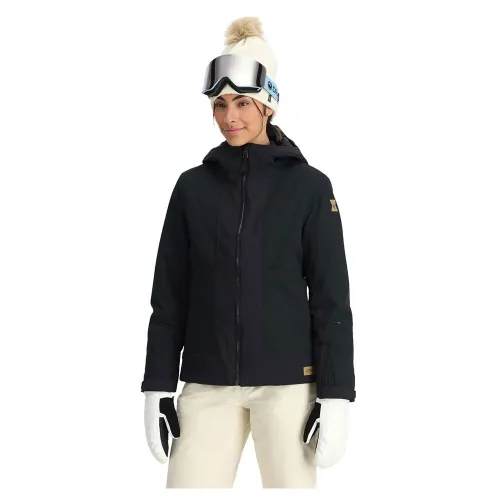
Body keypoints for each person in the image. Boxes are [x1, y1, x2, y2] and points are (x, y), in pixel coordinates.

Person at [141, 17, 356, 489]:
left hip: (288, 386)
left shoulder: (309, 187)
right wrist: (157, 385)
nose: (229, 117)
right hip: (207, 383)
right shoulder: (192, 188)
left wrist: (336, 394)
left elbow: (330, 300)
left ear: (268, 104)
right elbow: (169, 296)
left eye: (242, 103)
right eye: (219, 104)